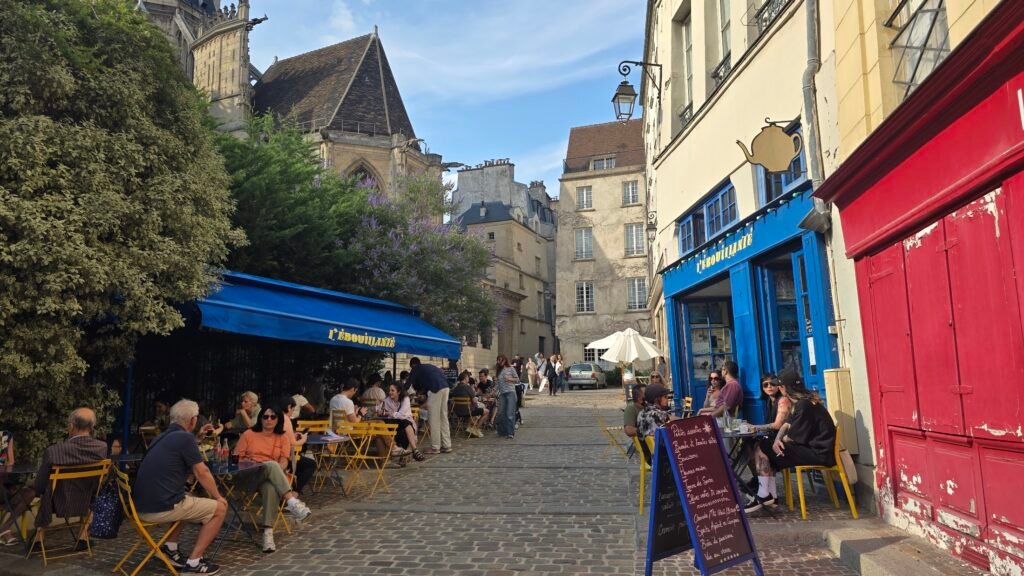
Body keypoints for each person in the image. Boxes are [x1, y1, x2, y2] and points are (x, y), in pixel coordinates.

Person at [133, 400, 227, 574]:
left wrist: (197, 438)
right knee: (220, 509)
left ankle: (170, 549)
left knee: (185, 498)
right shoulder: (184, 438)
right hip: (158, 508)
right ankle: (194, 562)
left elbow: (181, 451)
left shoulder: (162, 436)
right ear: (193, 420)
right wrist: (218, 497)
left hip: (140, 506)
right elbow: (202, 472)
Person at [0, 408, 109, 548]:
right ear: (92, 427)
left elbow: (40, 485)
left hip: (56, 502)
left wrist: (34, 486)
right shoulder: (102, 447)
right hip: (86, 500)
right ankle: (82, 538)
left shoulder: (54, 451)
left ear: (71, 426)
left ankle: (38, 540)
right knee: (92, 496)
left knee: (43, 492)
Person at [745, 369, 836, 513]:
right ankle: (770, 495)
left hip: (819, 454)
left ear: (783, 388)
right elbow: (787, 425)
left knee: (763, 446)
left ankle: (764, 494)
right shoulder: (801, 402)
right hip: (815, 449)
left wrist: (777, 441)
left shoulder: (804, 405)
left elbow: (792, 437)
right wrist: (777, 439)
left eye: (778, 385)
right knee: (768, 445)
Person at [232, 404, 312, 553]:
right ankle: (292, 501)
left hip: (269, 477)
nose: (269, 419)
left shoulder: (283, 437)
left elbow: (284, 462)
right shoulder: (248, 434)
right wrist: (256, 464)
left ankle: (268, 535)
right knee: (271, 465)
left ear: (278, 419)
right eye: (265, 416)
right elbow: (237, 459)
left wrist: (273, 470)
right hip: (249, 475)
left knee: (270, 487)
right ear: (260, 418)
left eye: (272, 417)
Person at [407, 357, 452, 454]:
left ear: (413, 365)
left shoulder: (416, 368)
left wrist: (400, 392)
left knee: (434, 418)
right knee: (443, 417)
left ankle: (435, 447)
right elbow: (425, 384)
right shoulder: (428, 367)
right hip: (446, 387)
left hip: (435, 389)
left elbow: (408, 383)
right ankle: (447, 445)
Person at [379, 382, 425, 462]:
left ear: (399, 392)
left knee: (404, 423)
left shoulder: (405, 399)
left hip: (406, 424)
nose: (390, 392)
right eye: (389, 390)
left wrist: (389, 413)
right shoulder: (387, 400)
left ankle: (409, 452)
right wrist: (380, 411)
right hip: (394, 424)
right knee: (392, 426)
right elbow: (379, 409)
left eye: (392, 390)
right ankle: (414, 451)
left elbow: (401, 415)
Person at [278, 397, 316, 494]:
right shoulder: (285, 418)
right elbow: (293, 443)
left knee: (301, 465)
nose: (292, 412)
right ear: (288, 407)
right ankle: (294, 493)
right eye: (293, 409)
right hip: (283, 458)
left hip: (272, 456)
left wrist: (293, 434)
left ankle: (291, 487)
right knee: (311, 464)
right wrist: (303, 439)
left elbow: (283, 435)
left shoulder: (274, 417)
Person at [452, 372, 487, 438]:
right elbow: (474, 400)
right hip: (468, 412)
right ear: (465, 378)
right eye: (468, 377)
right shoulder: (467, 387)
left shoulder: (455, 388)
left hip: (457, 412)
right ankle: (475, 429)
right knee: (486, 411)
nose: (469, 378)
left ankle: (470, 427)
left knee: (477, 409)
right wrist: (478, 399)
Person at [494, 355, 519, 439]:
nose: (499, 362)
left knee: (509, 413)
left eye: (500, 360)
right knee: (501, 413)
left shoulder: (511, 368)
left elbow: (517, 380)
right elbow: (498, 384)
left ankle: (510, 432)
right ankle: (502, 431)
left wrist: (510, 379)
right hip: (502, 394)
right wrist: (492, 391)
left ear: (504, 360)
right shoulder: (499, 371)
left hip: (510, 393)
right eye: (498, 360)